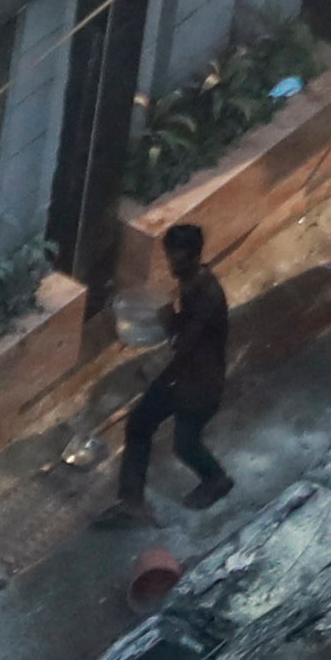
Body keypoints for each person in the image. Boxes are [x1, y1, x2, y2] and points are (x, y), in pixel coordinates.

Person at [100, 220, 236, 520]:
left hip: (199, 383)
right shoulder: (193, 283)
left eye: (177, 258)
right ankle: (132, 501)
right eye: (170, 256)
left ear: (192, 256)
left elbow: (182, 341)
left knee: (185, 443)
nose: (172, 265)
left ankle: (216, 479)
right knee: (139, 425)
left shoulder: (206, 295)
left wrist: (165, 319)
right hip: (182, 376)